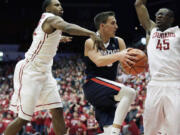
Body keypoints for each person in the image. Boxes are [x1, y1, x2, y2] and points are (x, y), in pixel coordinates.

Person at [3, 0, 103, 135]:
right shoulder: (51, 19)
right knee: (24, 118)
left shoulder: (45, 22)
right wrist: (91, 33)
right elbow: (67, 26)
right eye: (56, 5)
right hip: (30, 70)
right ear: (47, 9)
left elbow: (40, 37)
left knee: (57, 109)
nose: (60, 7)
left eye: (60, 4)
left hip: (45, 72)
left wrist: (58, 39)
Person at [83, 11, 137, 135]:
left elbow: (125, 66)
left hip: (109, 90)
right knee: (129, 93)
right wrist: (119, 55)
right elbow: (99, 61)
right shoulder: (91, 42)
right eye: (113, 23)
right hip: (94, 86)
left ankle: (113, 132)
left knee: (110, 132)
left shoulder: (119, 42)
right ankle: (116, 130)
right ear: (102, 26)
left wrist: (133, 69)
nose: (116, 26)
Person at [134, 0, 180, 135]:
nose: (158, 16)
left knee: (175, 127)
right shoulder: (151, 30)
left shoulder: (178, 33)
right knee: (150, 127)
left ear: (171, 19)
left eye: (163, 14)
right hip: (155, 84)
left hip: (175, 84)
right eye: (157, 14)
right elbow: (138, 4)